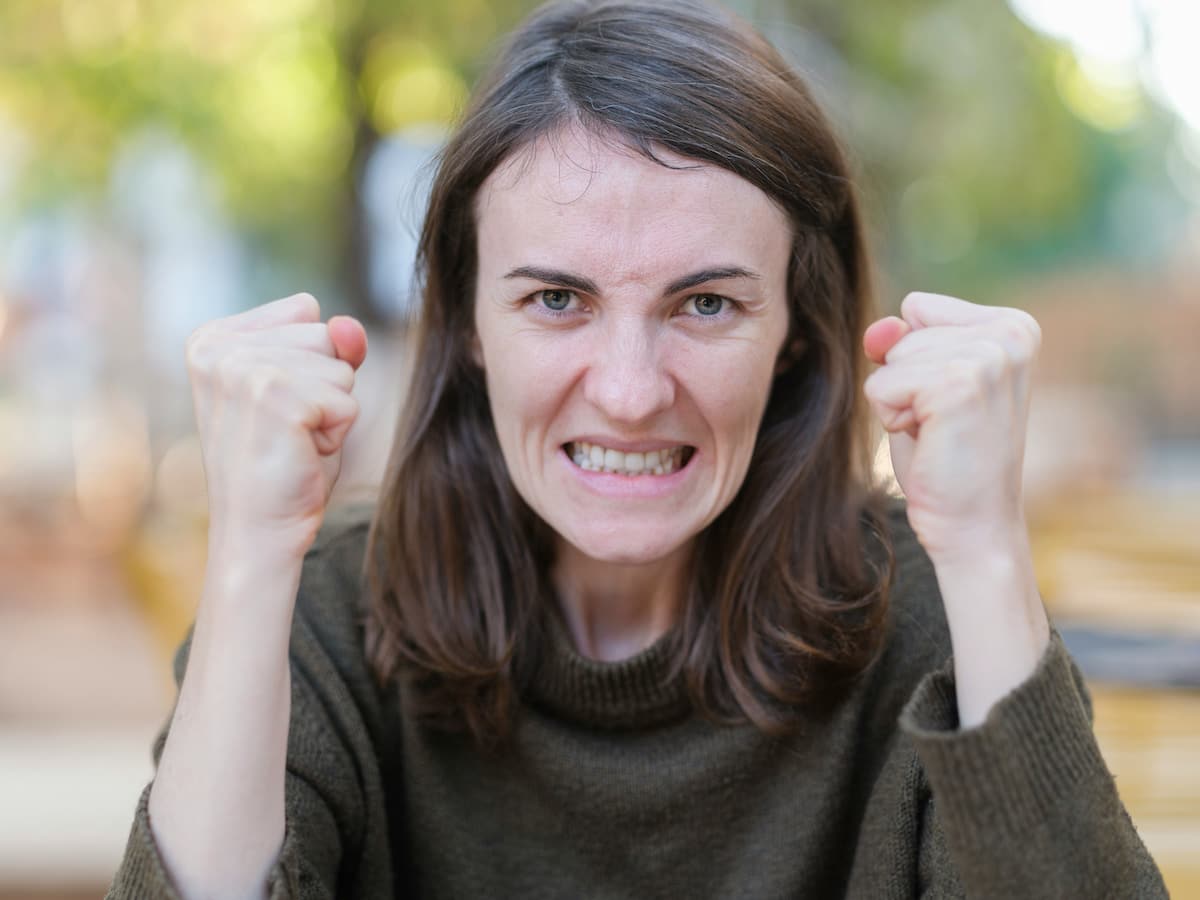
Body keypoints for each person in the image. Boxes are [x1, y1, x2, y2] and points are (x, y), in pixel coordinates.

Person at [109, 0, 1168, 897]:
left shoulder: (932, 620)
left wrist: (984, 549)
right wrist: (251, 552)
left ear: (796, 327)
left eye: (705, 302)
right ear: (469, 322)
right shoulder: (327, 616)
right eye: (558, 299)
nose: (627, 392)